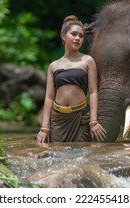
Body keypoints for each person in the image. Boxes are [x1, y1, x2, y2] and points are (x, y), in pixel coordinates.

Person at [35, 15, 106, 143]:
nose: (78, 38)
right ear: (63, 36)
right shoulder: (53, 66)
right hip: (58, 119)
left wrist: (94, 121)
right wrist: (44, 128)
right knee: (57, 156)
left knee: (80, 155)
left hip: (81, 117)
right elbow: (49, 97)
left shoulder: (88, 61)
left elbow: (93, 91)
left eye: (81, 36)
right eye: (74, 34)